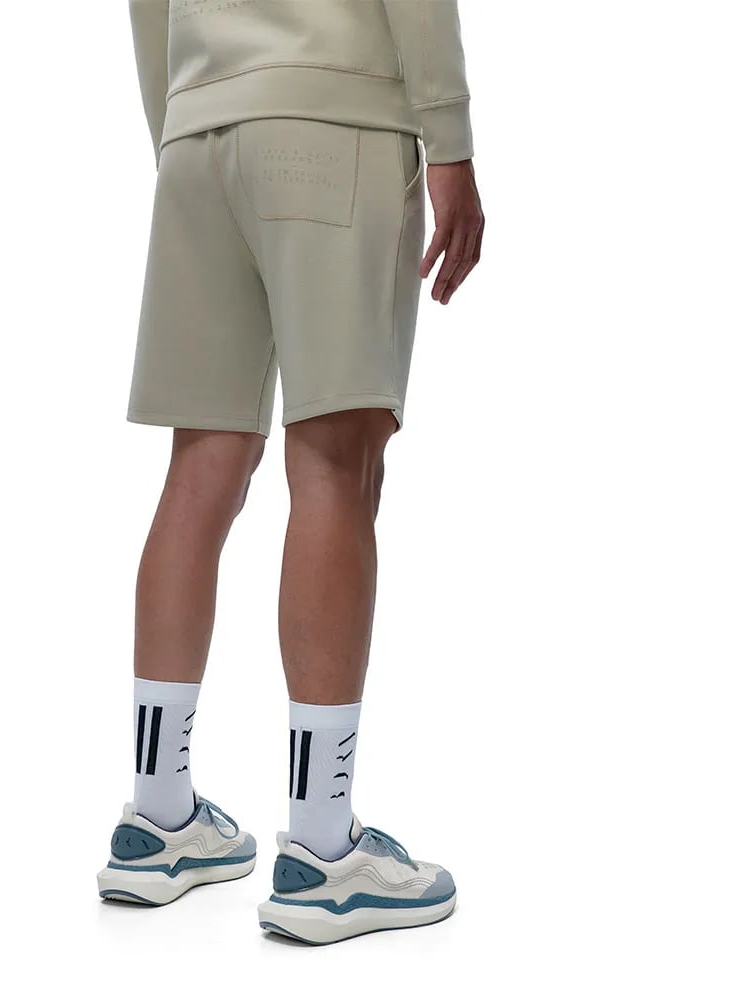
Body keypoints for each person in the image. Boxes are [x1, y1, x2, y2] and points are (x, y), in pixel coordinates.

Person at [98, 0, 484, 944]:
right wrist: (451, 143)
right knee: (335, 468)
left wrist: (183, 125)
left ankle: (159, 821)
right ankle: (322, 849)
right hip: (333, 117)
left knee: (200, 469)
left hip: (197, 131)